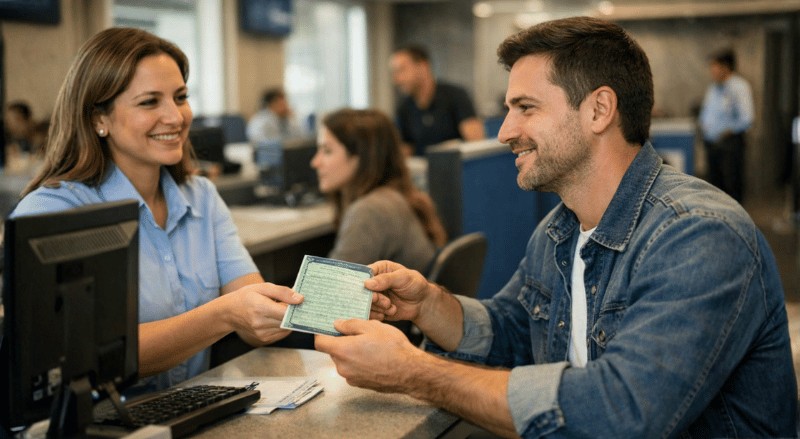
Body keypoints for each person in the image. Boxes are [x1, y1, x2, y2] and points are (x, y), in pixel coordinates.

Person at [315, 16, 797, 438]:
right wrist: (428, 305)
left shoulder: (699, 236)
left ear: (598, 110)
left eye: (526, 108)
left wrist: (415, 373)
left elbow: (623, 414)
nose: (504, 131)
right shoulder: (559, 229)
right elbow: (512, 330)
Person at [10, 27, 305, 394]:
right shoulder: (51, 212)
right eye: (149, 102)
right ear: (98, 119)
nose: (175, 117)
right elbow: (85, 358)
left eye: (180, 97)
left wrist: (299, 308)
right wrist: (227, 312)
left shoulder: (201, 196)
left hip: (191, 410)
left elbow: (253, 320)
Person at [312, 107, 447, 275]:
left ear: (360, 156)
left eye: (327, 151)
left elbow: (330, 289)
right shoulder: (394, 196)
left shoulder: (370, 210)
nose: (315, 162)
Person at [390, 44, 484, 156]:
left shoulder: (456, 96)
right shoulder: (404, 108)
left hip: (457, 168)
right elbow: (405, 153)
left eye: (401, 70)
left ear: (423, 66)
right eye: (394, 72)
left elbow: (477, 145)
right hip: (423, 171)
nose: (396, 79)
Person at [698, 48, 754, 203]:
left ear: (725, 67)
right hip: (712, 145)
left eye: (714, 66)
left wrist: (726, 132)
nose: (712, 70)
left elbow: (747, 118)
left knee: (732, 188)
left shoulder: (739, 87)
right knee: (715, 189)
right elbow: (706, 113)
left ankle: (735, 225)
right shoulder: (713, 88)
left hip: (730, 145)